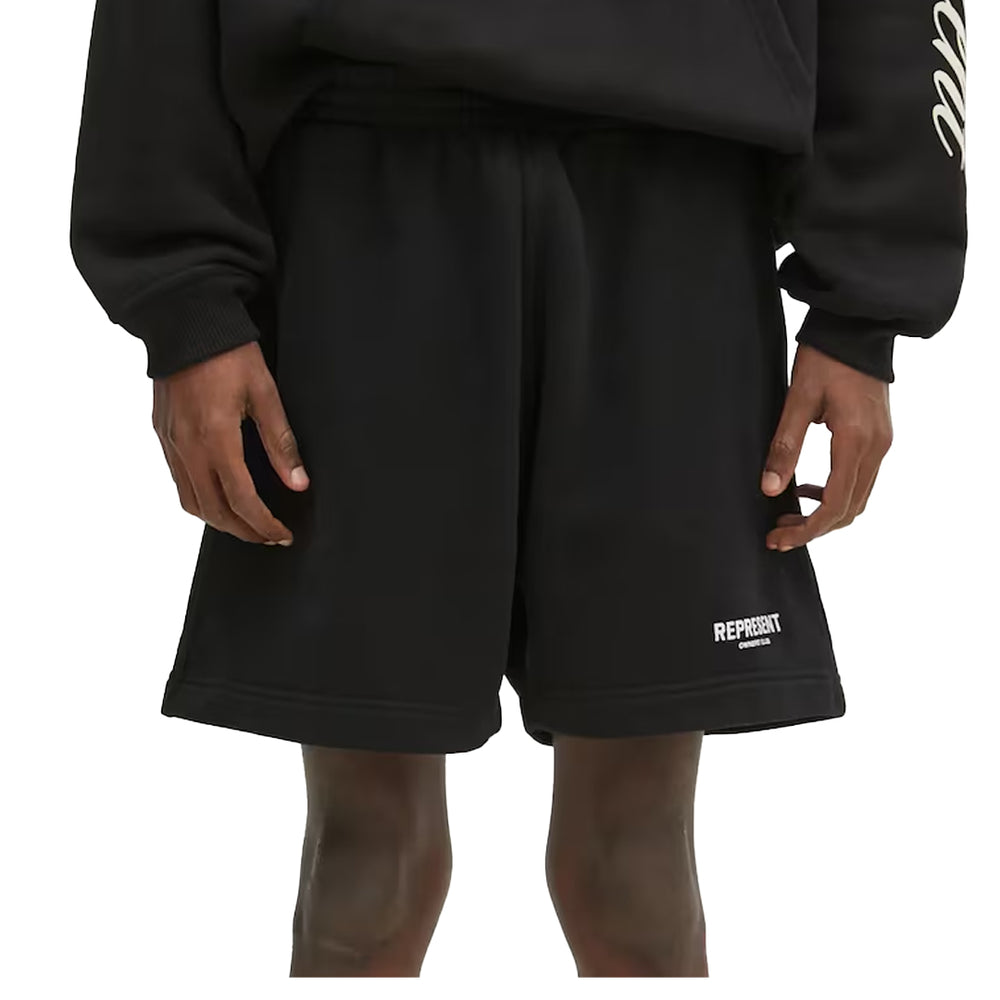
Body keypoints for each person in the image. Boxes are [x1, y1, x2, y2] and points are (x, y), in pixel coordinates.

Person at [68, 0, 968, 978]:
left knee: (634, 864)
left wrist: (863, 306)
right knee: (367, 861)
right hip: (363, 184)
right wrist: (187, 301)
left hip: (676, 206)